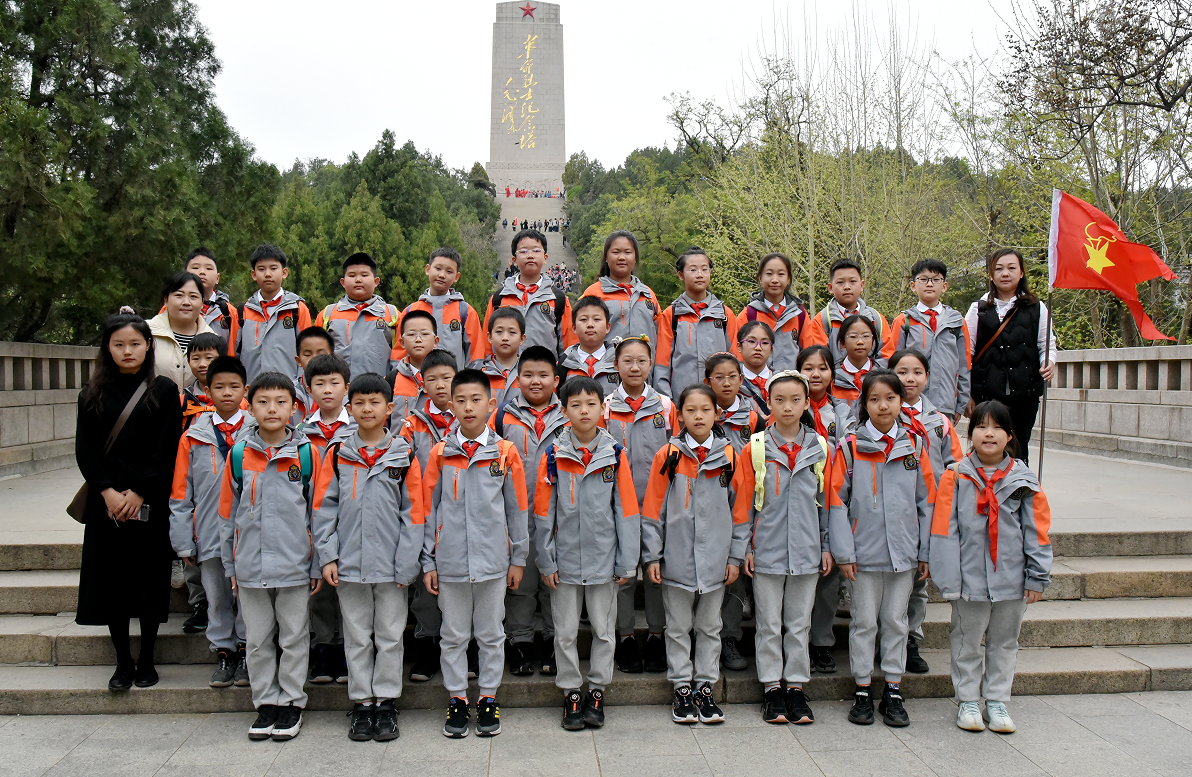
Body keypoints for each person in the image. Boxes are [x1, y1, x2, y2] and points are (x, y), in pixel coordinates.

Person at [312, 372, 425, 742]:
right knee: (357, 635)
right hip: (349, 564)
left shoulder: (404, 454)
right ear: (349, 407)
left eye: (375, 402)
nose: (367, 408)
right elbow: (323, 509)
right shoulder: (337, 454)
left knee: (390, 635)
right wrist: (328, 556)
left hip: (392, 567)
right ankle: (362, 702)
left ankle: (386, 701)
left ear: (389, 407)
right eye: (359, 402)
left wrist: (407, 563)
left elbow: (414, 514)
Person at [75, 313, 183, 691]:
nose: (127, 351)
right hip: (107, 504)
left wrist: (139, 491)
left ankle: (147, 658)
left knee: (149, 580)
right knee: (112, 583)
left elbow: (167, 447)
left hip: (148, 500)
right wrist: (106, 490)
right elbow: (85, 449)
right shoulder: (91, 394)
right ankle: (123, 661)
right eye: (119, 344)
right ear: (108, 348)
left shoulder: (163, 390)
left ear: (148, 345)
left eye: (135, 343)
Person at [931, 399, 1052, 734]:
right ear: (970, 434)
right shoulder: (955, 476)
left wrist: (1037, 575)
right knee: (966, 640)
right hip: (969, 578)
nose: (989, 433)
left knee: (1005, 641)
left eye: (998, 427)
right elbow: (943, 531)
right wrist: (948, 579)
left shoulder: (1024, 479)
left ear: (1009, 435)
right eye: (981, 426)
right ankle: (968, 700)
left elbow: (1037, 530)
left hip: (1011, 578)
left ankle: (997, 700)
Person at [422, 369, 530, 739]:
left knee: (490, 633)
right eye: (461, 400)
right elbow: (428, 510)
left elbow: (517, 510)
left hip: (493, 563)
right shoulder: (440, 454)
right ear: (450, 405)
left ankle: (487, 697)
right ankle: (456, 698)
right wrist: (428, 560)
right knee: (453, 635)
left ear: (490, 404)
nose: (468, 407)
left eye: (476, 400)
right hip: (450, 563)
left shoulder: (505, 452)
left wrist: (518, 558)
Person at [827, 370, 933, 728]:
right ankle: (862, 688)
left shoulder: (915, 445)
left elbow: (927, 502)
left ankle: (893, 688)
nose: (883, 405)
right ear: (864, 404)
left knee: (895, 622)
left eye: (890, 398)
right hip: (863, 556)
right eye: (874, 399)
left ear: (901, 402)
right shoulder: (850, 447)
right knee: (863, 622)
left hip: (904, 554)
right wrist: (844, 553)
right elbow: (837, 503)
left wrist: (926, 551)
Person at [218, 371, 321, 742]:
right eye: (263, 402)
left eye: (281, 402)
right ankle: (265, 702)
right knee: (258, 638)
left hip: (295, 563)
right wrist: (230, 564)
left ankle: (291, 701)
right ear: (251, 407)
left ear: (294, 408)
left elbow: (318, 513)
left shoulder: (306, 454)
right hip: (250, 563)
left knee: (294, 635)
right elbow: (226, 514)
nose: (272, 409)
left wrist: (317, 562)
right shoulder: (239, 454)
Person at [534, 376, 640, 730]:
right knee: (564, 632)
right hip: (564, 563)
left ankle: (596, 689)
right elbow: (543, 513)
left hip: (603, 561)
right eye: (575, 405)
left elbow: (627, 511)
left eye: (591, 404)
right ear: (564, 411)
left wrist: (627, 561)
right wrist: (546, 559)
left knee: (603, 630)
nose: (584, 411)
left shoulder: (615, 454)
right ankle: (570, 692)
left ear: (602, 408)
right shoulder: (553, 455)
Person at [642, 384, 751, 725]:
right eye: (691, 410)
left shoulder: (730, 456)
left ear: (717, 414)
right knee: (677, 627)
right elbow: (652, 511)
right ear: (680, 415)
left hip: (716, 561)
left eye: (706, 409)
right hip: (676, 560)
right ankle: (681, 687)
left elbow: (741, 512)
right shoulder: (668, 456)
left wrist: (735, 557)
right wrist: (652, 555)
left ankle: (705, 686)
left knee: (709, 626)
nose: (699, 416)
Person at [740, 371, 830, 725]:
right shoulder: (755, 447)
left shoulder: (821, 447)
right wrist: (745, 546)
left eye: (795, 400)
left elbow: (827, 501)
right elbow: (744, 503)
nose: (787, 407)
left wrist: (826, 545)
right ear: (769, 403)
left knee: (799, 623)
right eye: (779, 400)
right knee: (768, 623)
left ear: (807, 403)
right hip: (767, 549)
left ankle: (795, 686)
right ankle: (771, 688)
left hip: (807, 550)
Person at [169, 355, 249, 688]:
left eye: (234, 386)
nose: (227, 393)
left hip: (248, 534)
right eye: (219, 387)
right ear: (207, 391)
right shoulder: (192, 437)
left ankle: (247, 649)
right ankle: (224, 651)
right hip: (210, 531)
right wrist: (183, 541)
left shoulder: (258, 431)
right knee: (216, 595)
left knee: (247, 596)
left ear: (245, 390)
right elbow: (180, 493)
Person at [601, 336, 676, 675]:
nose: (634, 367)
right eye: (627, 361)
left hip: (659, 505)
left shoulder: (665, 406)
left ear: (650, 364)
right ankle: (626, 636)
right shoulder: (605, 407)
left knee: (657, 571)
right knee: (624, 574)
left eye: (641, 361)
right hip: (619, 507)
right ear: (615, 365)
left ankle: (658, 636)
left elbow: (676, 453)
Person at [491, 346, 566, 676]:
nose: (536, 381)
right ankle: (519, 641)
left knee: (554, 583)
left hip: (559, 517)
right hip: (516, 516)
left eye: (543, 375)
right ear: (517, 379)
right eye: (528, 375)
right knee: (519, 584)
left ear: (556, 380)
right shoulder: (502, 417)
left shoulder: (570, 415)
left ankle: (552, 640)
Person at [890, 348, 963, 675]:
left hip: (928, 512)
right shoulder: (883, 414)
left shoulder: (940, 422)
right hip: (893, 509)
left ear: (927, 377)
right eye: (902, 372)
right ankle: (886, 639)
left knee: (919, 581)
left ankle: (911, 639)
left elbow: (956, 467)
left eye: (917, 372)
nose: (910, 378)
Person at [701, 352, 764, 671]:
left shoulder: (754, 418)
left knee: (739, 570)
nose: (726, 383)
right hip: (710, 504)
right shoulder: (700, 413)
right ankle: (709, 637)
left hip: (748, 504)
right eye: (719, 377)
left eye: (732, 377)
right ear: (707, 381)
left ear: (742, 380)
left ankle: (733, 636)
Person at [399, 348, 458, 683]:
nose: (440, 385)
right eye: (432, 379)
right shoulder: (413, 423)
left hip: (462, 509)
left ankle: (465, 645)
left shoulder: (469, 418)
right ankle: (426, 642)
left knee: (460, 582)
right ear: (422, 384)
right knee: (427, 582)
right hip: (424, 510)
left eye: (446, 378)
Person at [965, 249, 1057, 463]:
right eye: (999, 269)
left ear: (1021, 273)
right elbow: (966, 352)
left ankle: (1019, 483)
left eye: (1011, 268)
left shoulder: (1037, 308)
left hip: (1024, 394)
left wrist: (1049, 362)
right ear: (991, 275)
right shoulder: (978, 309)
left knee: (1019, 447)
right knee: (986, 447)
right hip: (985, 394)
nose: (1005, 273)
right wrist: (966, 393)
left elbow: (1046, 344)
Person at [798, 344, 856, 675]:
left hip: (833, 495)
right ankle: (793, 641)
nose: (816, 374)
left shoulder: (843, 411)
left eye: (823, 367)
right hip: (798, 494)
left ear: (833, 372)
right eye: (808, 368)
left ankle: (820, 641)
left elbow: (848, 448)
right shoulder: (789, 404)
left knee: (828, 574)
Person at [299, 353, 354, 685]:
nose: (328, 390)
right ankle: (322, 646)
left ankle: (348, 648)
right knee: (318, 585)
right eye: (319, 383)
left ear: (347, 387)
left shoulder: (360, 428)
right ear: (308, 388)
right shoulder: (300, 432)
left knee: (347, 586)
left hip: (349, 518)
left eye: (335, 383)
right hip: (310, 518)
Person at [890, 259, 970, 421]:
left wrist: (961, 403)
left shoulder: (957, 322)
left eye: (936, 279)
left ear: (944, 286)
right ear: (913, 286)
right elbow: (891, 363)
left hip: (945, 403)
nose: (929, 284)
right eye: (924, 279)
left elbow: (964, 365)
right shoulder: (904, 321)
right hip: (909, 403)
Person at [654, 248, 740, 397]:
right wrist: (667, 402)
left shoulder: (724, 315)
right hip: (682, 399)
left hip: (718, 399)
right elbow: (662, 364)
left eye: (704, 269)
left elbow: (736, 359)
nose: (699, 274)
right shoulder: (671, 315)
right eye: (693, 270)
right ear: (681, 275)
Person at [483, 228, 577, 361]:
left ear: (545, 258)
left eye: (536, 250)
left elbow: (569, 346)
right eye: (523, 251)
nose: (530, 255)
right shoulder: (499, 298)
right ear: (514, 260)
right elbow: (487, 345)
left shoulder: (558, 298)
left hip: (544, 371)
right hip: (505, 371)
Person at [395, 248, 486, 370]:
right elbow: (399, 354)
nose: (442, 275)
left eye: (449, 271)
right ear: (428, 269)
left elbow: (476, 355)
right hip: (415, 380)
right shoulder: (410, 311)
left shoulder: (465, 312)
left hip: (454, 381)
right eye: (438, 268)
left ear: (456, 277)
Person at [314, 253, 399, 379]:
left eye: (364, 275)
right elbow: (316, 354)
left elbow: (400, 355)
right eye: (352, 275)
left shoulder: (392, 314)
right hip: (338, 388)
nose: (358, 280)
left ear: (376, 281)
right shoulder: (328, 314)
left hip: (379, 387)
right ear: (343, 282)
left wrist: (392, 383)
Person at [236, 245, 314, 383]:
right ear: (253, 274)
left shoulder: (297, 309)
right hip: (251, 389)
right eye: (261, 269)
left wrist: (300, 388)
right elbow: (235, 354)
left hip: (288, 389)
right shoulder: (244, 311)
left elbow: (308, 351)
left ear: (284, 272)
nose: (267, 274)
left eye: (273, 268)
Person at [803, 258, 894, 367]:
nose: (847, 287)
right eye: (840, 282)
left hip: (872, 377)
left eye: (853, 281)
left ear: (862, 285)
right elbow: (819, 359)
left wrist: (873, 375)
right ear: (830, 288)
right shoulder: (822, 320)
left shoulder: (876, 319)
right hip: (835, 377)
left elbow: (887, 355)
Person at [580, 231, 661, 345]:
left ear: (635, 258)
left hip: (645, 357)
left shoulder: (648, 294)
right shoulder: (593, 293)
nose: (622, 257)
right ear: (606, 257)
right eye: (616, 252)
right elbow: (580, 334)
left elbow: (661, 334)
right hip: (608, 357)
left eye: (628, 252)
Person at [737, 253, 809, 371]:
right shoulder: (749, 314)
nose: (775, 280)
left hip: (792, 381)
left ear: (788, 279)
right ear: (760, 278)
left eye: (781, 274)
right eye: (769, 274)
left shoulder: (799, 314)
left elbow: (809, 354)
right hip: (757, 381)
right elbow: (738, 354)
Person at [149, 271, 216, 391]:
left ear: (202, 303)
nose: (186, 302)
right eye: (179, 295)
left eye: (193, 296)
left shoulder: (214, 340)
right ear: (166, 300)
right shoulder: (145, 333)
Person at [387, 310, 439, 428]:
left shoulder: (447, 380)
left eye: (425, 334)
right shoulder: (391, 380)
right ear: (402, 342)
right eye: (411, 334)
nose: (418, 339)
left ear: (436, 341)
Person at [469, 308, 526, 410]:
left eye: (512, 332)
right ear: (489, 337)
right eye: (499, 332)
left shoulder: (528, 372)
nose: (505, 338)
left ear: (522, 339)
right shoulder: (477, 372)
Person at [184, 247, 240, 349]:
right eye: (195, 268)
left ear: (217, 278)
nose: (202, 272)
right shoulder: (174, 307)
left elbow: (234, 348)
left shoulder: (229, 311)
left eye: (209, 268)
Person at [560, 296, 619, 385]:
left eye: (597, 319)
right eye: (583, 319)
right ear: (574, 328)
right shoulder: (565, 362)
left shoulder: (619, 360)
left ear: (607, 327)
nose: (590, 325)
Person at [832, 315, 882, 414]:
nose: (860, 342)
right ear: (842, 342)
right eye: (853, 337)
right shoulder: (832, 378)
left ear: (873, 341)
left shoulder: (883, 377)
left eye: (866, 336)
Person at [181, 333, 230, 432]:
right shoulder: (183, 401)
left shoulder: (236, 399)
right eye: (196, 359)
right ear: (188, 362)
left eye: (209, 358)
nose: (202, 364)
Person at [292, 327, 335, 424]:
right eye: (308, 355)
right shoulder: (289, 393)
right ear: (298, 361)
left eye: (321, 354)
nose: (314, 359)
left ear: (332, 357)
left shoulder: (344, 395)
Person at [737, 322, 775, 416]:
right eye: (751, 342)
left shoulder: (781, 381)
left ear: (771, 349)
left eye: (765, 343)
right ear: (739, 346)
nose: (758, 348)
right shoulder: (733, 383)